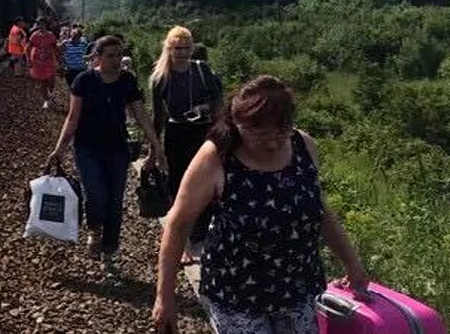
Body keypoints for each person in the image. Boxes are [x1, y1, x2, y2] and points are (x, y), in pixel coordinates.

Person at [153, 75, 368, 334]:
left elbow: (320, 212)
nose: (272, 142)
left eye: (281, 131)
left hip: (298, 288)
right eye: (258, 133)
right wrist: (165, 296)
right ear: (237, 124)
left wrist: (353, 266)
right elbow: (178, 224)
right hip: (237, 294)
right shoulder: (216, 157)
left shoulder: (303, 146)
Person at [46, 35, 164, 272]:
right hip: (87, 148)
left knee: (115, 200)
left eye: (119, 55)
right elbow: (73, 118)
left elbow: (140, 114)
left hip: (117, 149)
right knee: (96, 194)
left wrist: (156, 145)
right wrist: (59, 149)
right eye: (110, 56)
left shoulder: (127, 80)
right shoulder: (84, 81)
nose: (117, 60)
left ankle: (110, 246)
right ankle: (94, 230)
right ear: (98, 57)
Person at [150, 26, 222, 262]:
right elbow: (158, 116)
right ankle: (179, 241)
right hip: (177, 132)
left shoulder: (202, 70)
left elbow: (218, 103)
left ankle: (198, 238)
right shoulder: (161, 78)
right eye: (176, 48)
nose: (181, 53)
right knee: (178, 187)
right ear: (169, 49)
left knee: (207, 186)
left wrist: (221, 133)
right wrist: (154, 149)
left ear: (192, 48)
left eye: (185, 48)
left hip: (203, 132)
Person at [27, 16, 59, 109]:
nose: (41, 26)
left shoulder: (51, 35)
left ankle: (51, 95)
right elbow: (28, 48)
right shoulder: (34, 35)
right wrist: (28, 60)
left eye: (43, 24)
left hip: (49, 61)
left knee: (51, 81)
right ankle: (46, 100)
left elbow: (55, 47)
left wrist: (60, 59)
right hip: (37, 62)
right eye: (39, 24)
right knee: (42, 82)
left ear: (46, 24)